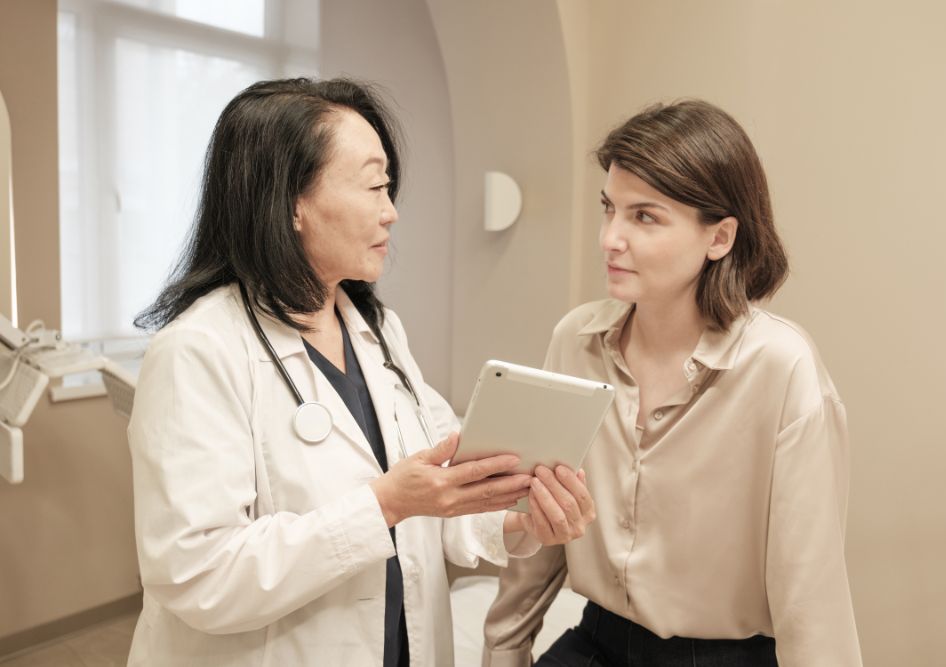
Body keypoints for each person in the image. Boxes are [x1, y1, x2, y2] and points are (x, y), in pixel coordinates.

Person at [126, 78, 595, 667]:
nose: (391, 212)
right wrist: (383, 506)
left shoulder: (378, 330)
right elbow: (197, 574)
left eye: (389, 187)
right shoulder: (197, 351)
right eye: (375, 186)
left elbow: (441, 484)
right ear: (290, 203)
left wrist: (523, 516)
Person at [483, 100, 863, 666]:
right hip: (594, 644)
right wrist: (503, 653)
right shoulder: (575, 340)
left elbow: (811, 599)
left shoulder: (782, 368)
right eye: (609, 209)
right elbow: (538, 536)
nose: (610, 238)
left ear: (720, 238)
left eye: (644, 217)